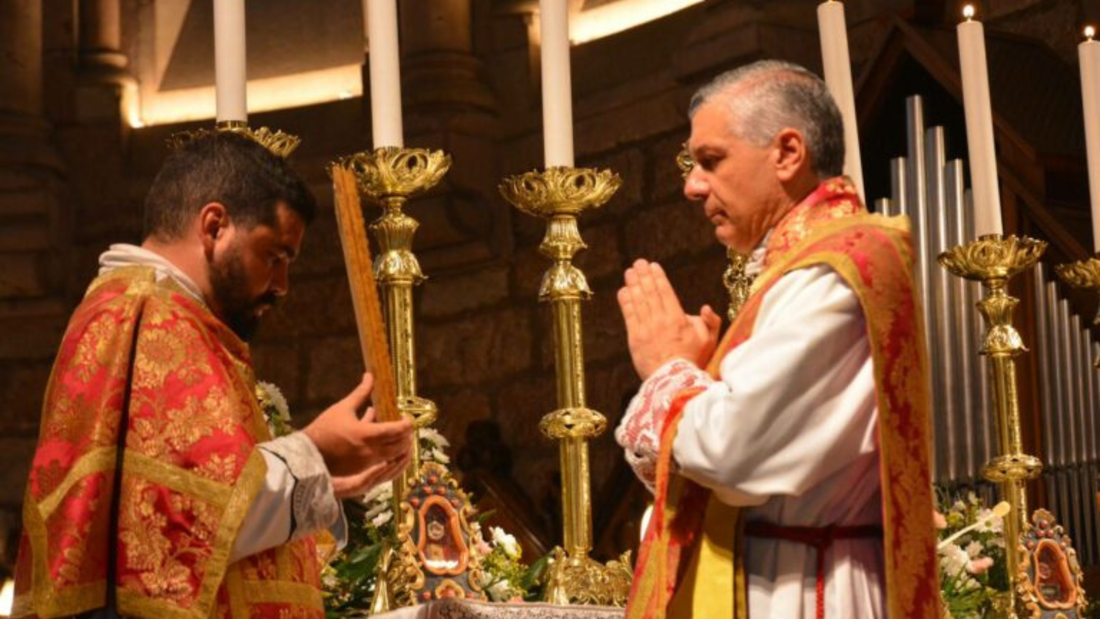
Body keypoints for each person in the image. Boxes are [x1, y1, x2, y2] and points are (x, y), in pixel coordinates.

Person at [12, 132, 414, 619]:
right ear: (215, 226)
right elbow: (187, 517)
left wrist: (322, 476)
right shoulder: (154, 319)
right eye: (275, 256)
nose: (282, 286)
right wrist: (316, 450)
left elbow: (184, 510)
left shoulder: (139, 309)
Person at [615, 60, 939, 618]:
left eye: (710, 161)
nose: (692, 186)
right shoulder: (805, 268)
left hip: (809, 589)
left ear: (787, 153)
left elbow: (733, 453)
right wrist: (698, 375)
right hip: (781, 574)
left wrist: (669, 371)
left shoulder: (836, 270)